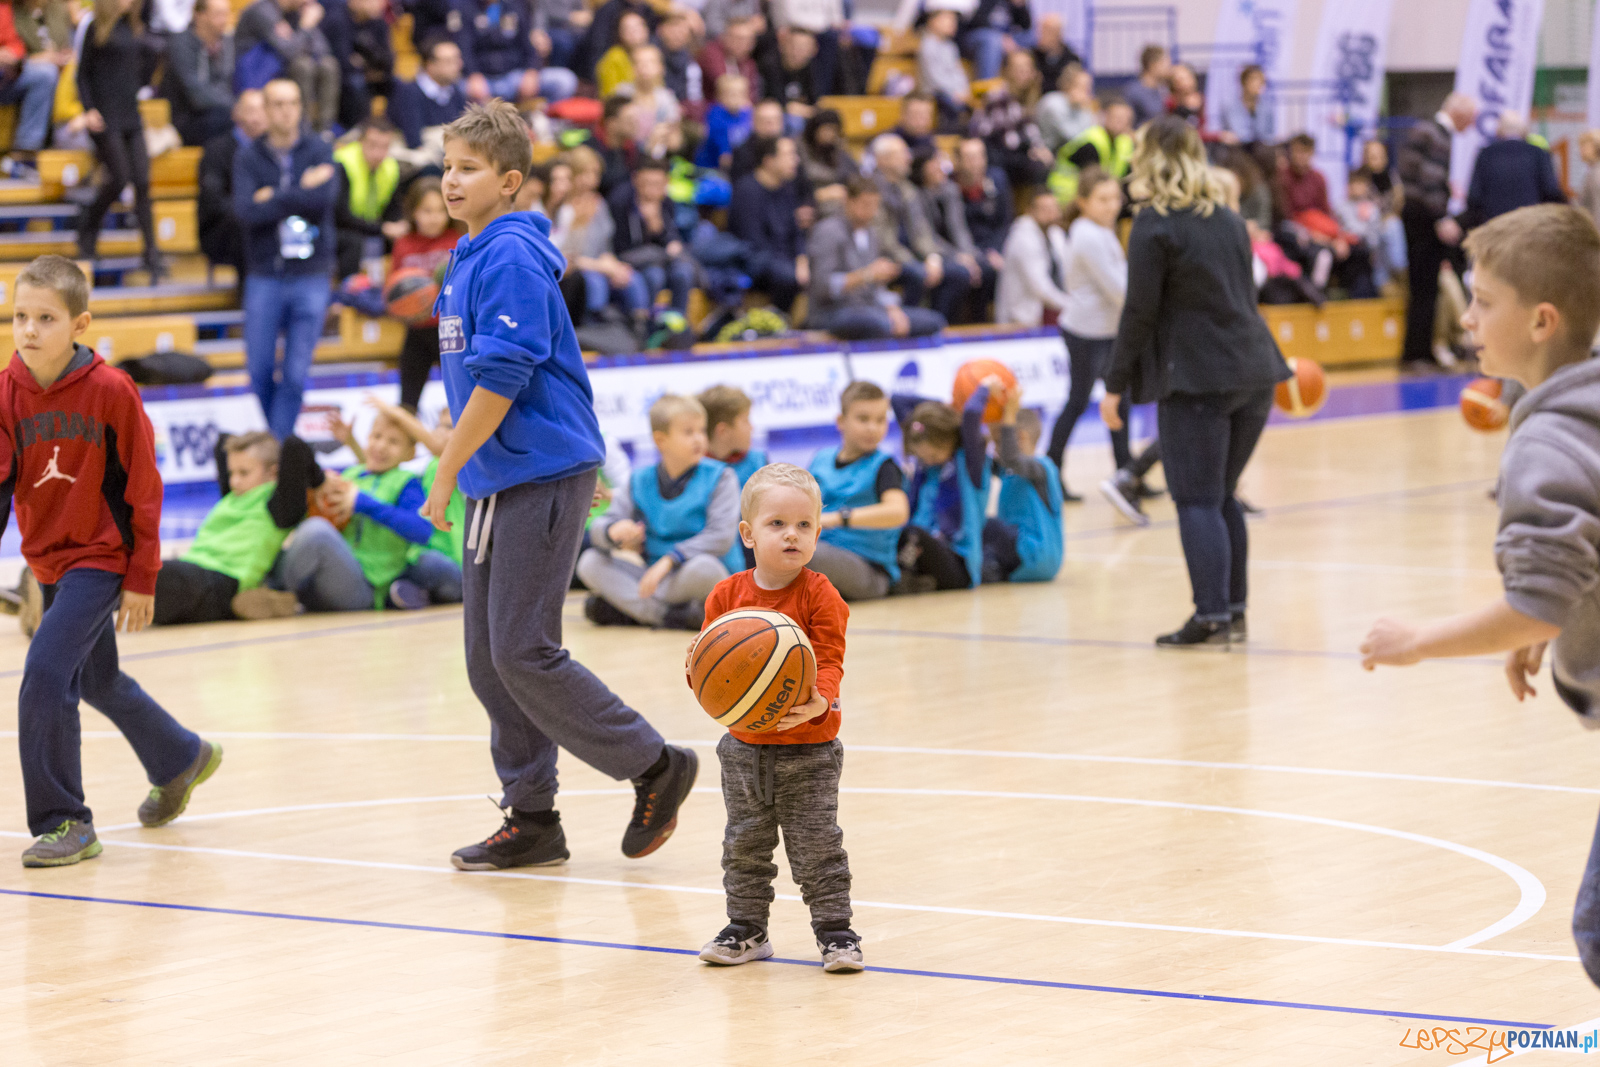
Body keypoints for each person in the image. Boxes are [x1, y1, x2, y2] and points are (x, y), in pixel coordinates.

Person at [421, 101, 698, 867]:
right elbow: (553, 372)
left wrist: (447, 467)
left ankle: (654, 763)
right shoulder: (469, 252)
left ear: (510, 181)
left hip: (534, 473)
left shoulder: (510, 255)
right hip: (506, 475)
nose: (450, 179)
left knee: (524, 651)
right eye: (447, 165)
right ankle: (533, 816)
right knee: (490, 661)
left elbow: (508, 378)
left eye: (468, 168)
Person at [1357, 204, 1600, 986]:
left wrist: (1418, 640)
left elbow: (1536, 600)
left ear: (1541, 320)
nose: (1467, 317)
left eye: (1484, 300)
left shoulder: (1550, 441)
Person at [2, 255, 222, 868]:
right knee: (97, 678)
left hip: (101, 556)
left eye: (45, 318)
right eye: (20, 316)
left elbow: (142, 489)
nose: (29, 330)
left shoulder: (110, 390)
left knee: (46, 674)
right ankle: (182, 756)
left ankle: (65, 820)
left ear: (80, 324)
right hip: (47, 559)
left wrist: (141, 575)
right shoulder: (6, 390)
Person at [1099, 116, 1290, 647]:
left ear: (1149, 158)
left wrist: (1114, 385)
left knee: (1198, 500)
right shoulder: (1227, 219)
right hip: (1255, 370)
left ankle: (1210, 615)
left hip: (1200, 376)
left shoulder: (1154, 223)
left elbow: (1138, 312)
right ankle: (1233, 607)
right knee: (1221, 494)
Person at [693, 463, 860, 973]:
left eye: (804, 525)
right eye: (777, 524)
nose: (792, 534)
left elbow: (830, 657)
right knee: (743, 844)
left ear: (817, 531)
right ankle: (747, 929)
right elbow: (705, 664)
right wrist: (699, 674)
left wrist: (821, 699)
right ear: (747, 533)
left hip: (809, 749)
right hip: (743, 748)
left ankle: (836, 933)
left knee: (817, 847)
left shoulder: (819, 593)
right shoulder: (726, 596)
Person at [579, 392, 740, 626]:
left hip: (695, 573)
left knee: (705, 568)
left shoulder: (722, 476)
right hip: (658, 580)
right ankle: (672, 616)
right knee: (590, 562)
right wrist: (612, 531)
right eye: (688, 432)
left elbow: (721, 537)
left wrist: (670, 560)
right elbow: (599, 528)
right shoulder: (639, 480)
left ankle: (634, 611)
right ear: (660, 440)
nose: (699, 439)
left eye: (701, 431)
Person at [234, 77, 337, 440]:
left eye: (292, 103)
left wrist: (273, 198)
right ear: (264, 108)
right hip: (265, 273)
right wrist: (298, 191)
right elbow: (246, 211)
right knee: (259, 369)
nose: (285, 110)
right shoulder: (248, 156)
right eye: (277, 103)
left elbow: (323, 200)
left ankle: (275, 450)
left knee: (296, 373)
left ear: (301, 107)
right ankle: (278, 444)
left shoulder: (319, 148)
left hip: (311, 273)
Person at [283, 410, 462, 610]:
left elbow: (423, 530)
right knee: (293, 533)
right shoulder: (352, 474)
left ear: (410, 453)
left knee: (316, 531)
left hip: (366, 588)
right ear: (368, 438)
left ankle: (278, 592)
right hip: (334, 575)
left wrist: (363, 503)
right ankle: (278, 594)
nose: (381, 446)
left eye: (393, 442)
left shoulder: (407, 483)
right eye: (376, 436)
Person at [154, 432, 324, 624]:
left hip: (223, 582)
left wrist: (320, 481)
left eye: (244, 473)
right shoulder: (232, 496)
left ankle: (245, 602)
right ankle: (248, 602)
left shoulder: (278, 505)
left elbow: (295, 445)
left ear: (273, 473)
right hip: (194, 570)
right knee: (139, 572)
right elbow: (222, 440)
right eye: (231, 473)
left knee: (152, 575)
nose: (234, 481)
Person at [1039, 169, 1125, 497]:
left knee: (1121, 402)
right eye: (1103, 199)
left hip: (1107, 330)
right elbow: (1117, 288)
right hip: (1086, 332)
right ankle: (1051, 470)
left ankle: (1126, 472)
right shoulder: (1087, 234)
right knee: (1078, 401)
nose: (1112, 206)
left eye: (1115, 198)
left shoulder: (1102, 230)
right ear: (1083, 202)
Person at [76, 0, 162, 277]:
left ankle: (151, 252)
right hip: (105, 115)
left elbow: (139, 74)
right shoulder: (95, 27)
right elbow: (82, 75)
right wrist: (89, 109)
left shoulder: (134, 26)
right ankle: (89, 226)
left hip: (130, 114)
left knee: (142, 181)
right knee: (119, 177)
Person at [805, 177, 945, 340]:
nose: (870, 211)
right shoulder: (827, 231)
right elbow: (823, 286)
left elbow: (877, 289)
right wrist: (866, 275)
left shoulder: (871, 233)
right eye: (865, 204)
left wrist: (892, 308)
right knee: (879, 324)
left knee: (933, 322)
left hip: (870, 308)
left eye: (874, 205)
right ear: (848, 201)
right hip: (832, 311)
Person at [807, 380, 908, 602]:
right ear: (841, 421)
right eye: (863, 419)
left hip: (869, 568)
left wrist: (839, 518)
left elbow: (897, 512)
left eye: (880, 420)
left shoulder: (884, 465)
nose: (873, 428)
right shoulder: (821, 460)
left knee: (804, 556)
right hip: (825, 550)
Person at [1398, 91, 1476, 371]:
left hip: (1415, 215)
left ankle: (1422, 351)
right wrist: (1441, 216)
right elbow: (1429, 180)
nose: (1472, 125)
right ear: (1460, 114)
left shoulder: (1425, 130)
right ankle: (1416, 354)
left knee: (1424, 288)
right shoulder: (1437, 135)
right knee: (1425, 288)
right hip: (1423, 219)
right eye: (1472, 118)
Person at [891, 387, 991, 591]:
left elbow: (971, 414)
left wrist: (984, 389)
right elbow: (897, 399)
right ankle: (913, 578)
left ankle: (897, 578)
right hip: (922, 549)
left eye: (935, 456)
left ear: (951, 441)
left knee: (913, 534)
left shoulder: (969, 465)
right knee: (892, 530)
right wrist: (938, 406)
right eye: (923, 457)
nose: (928, 461)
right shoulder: (925, 469)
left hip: (958, 563)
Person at [871, 134, 969, 323]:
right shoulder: (872, 189)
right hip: (886, 257)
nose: (908, 158)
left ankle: (940, 324)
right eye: (901, 154)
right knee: (917, 274)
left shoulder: (907, 189)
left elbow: (921, 231)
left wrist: (932, 257)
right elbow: (883, 240)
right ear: (882, 160)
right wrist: (914, 263)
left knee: (959, 273)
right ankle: (909, 326)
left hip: (914, 255)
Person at [392, 176, 463, 411]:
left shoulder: (460, 241)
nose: (434, 217)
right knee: (407, 405)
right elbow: (395, 291)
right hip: (417, 331)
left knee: (462, 399)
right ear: (413, 212)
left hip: (452, 331)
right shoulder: (403, 244)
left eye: (441, 210)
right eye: (427, 210)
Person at [986, 390, 1062, 583]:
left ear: (1019, 437)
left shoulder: (1041, 468)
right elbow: (976, 461)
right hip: (1021, 555)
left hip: (1036, 553)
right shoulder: (1007, 470)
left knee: (987, 526)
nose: (994, 449)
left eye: (998, 441)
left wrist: (1009, 414)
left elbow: (1011, 457)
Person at [609, 159, 696, 321]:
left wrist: (659, 229)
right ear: (635, 180)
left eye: (658, 184)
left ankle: (676, 326)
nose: (651, 190)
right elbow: (620, 249)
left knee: (683, 272)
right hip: (633, 262)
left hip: (661, 259)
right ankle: (646, 330)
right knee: (654, 276)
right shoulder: (621, 202)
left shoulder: (666, 202)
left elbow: (673, 240)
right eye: (646, 183)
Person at [234, 0, 340, 132]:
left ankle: (326, 130)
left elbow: (324, 50)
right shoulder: (263, 10)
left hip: (281, 70)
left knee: (328, 64)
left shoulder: (295, 12)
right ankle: (303, 129)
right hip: (255, 74)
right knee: (303, 66)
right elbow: (290, 52)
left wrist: (308, 27)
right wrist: (306, 27)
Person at [729, 136, 807, 313]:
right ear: (769, 161)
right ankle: (777, 323)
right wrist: (793, 267)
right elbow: (752, 241)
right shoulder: (747, 190)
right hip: (753, 259)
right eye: (789, 155)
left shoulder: (787, 188)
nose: (796, 160)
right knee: (786, 275)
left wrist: (802, 260)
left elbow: (796, 234)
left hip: (782, 260)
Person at [199, 89, 267, 278]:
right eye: (251, 110)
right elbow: (213, 199)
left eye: (263, 110)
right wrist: (251, 207)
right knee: (244, 224)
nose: (258, 117)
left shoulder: (272, 150)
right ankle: (248, 294)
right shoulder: (217, 149)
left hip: (264, 218)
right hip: (221, 229)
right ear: (236, 114)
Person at [1462, 112, 1567, 230]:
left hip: (1494, 228)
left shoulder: (1486, 155)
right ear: (1524, 131)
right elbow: (1551, 190)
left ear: (1499, 130)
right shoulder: (1539, 154)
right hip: (1530, 228)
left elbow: (1474, 196)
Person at [333, 117, 406, 279]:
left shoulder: (391, 167)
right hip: (342, 227)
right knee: (353, 242)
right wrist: (382, 228)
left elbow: (393, 209)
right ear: (360, 142)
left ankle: (395, 285)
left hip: (371, 225)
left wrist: (399, 225)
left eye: (385, 147)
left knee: (402, 238)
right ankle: (349, 292)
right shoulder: (342, 162)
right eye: (372, 145)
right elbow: (340, 215)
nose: (378, 153)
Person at [0, 0, 65, 173]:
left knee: (45, 74)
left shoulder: (6, 7)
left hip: (7, 74)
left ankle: (26, 152)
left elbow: (16, 43)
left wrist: (13, 56)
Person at [162, 0, 234, 147]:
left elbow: (226, 80)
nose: (224, 20)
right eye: (218, 14)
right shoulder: (180, 43)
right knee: (232, 120)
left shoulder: (227, 43)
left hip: (220, 112)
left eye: (226, 14)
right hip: (187, 118)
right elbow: (196, 94)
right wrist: (236, 107)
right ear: (199, 16)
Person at [995, 185, 1069, 324]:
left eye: (1054, 208)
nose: (1051, 214)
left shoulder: (1056, 233)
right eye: (1045, 209)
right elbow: (1040, 287)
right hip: (1022, 318)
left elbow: (1068, 271)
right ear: (1030, 211)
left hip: (1052, 308)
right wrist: (1071, 305)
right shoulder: (1022, 237)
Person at [389, 35, 469, 153]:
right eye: (449, 61)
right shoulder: (409, 92)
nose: (458, 65)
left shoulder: (455, 91)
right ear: (430, 65)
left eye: (458, 59)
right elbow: (414, 141)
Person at [1047, 94, 1132, 203]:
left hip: (1099, 196)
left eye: (1126, 119)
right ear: (1105, 116)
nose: (1121, 123)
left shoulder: (1126, 143)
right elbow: (1090, 180)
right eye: (1117, 118)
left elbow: (1126, 177)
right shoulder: (1091, 142)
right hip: (1067, 195)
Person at [324, 0, 395, 129]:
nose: (377, 4)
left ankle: (392, 129)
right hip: (342, 79)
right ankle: (358, 130)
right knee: (357, 83)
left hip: (374, 76)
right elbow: (343, 62)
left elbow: (389, 60)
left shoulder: (378, 22)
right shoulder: (338, 19)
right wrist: (369, 68)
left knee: (399, 83)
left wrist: (363, 64)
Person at [953, 138, 1010, 272]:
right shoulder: (950, 187)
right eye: (970, 158)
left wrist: (994, 250)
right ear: (958, 161)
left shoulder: (997, 180)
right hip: (964, 249)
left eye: (980, 156)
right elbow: (953, 228)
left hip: (992, 247)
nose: (976, 163)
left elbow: (1004, 222)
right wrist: (975, 254)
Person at [699, 384, 767, 486]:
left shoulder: (759, 462)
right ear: (723, 431)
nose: (751, 428)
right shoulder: (695, 469)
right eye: (745, 421)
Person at [799, 108, 858, 205]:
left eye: (834, 130)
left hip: (840, 199)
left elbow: (854, 175)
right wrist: (823, 193)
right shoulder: (800, 147)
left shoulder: (837, 149)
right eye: (826, 129)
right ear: (815, 130)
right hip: (812, 200)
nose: (829, 134)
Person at [695, 72, 753, 170]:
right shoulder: (715, 113)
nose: (737, 98)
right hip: (711, 166)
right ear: (719, 96)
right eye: (732, 94)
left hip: (738, 163)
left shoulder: (748, 113)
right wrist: (725, 151)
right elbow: (719, 135)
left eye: (741, 94)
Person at [960, 0, 1030, 80]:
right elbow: (977, 21)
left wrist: (1020, 6)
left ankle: (1029, 83)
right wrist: (1001, 37)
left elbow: (1026, 26)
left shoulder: (1012, 4)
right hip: (980, 36)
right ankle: (987, 85)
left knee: (1031, 37)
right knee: (993, 40)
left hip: (1008, 38)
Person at [698, 16, 761, 103]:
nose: (743, 44)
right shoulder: (711, 54)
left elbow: (752, 96)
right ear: (725, 37)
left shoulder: (749, 64)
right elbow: (725, 86)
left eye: (748, 39)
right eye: (739, 38)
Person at [917, 10, 967, 118]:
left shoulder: (951, 46)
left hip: (953, 92)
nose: (953, 23)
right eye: (948, 19)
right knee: (954, 107)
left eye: (954, 20)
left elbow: (958, 71)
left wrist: (963, 89)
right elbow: (934, 78)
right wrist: (953, 92)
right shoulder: (927, 45)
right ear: (933, 21)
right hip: (935, 92)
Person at [1035, 63, 1094, 154]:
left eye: (1088, 87)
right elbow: (1075, 137)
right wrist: (1085, 110)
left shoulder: (1076, 106)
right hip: (1046, 153)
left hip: (1064, 154)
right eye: (1082, 86)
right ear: (1067, 84)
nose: (1087, 92)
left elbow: (1093, 131)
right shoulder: (1053, 103)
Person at [595, 8, 649, 97]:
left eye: (637, 27)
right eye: (627, 28)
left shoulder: (652, 54)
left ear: (646, 30)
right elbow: (611, 96)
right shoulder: (613, 58)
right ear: (620, 33)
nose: (633, 32)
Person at [728, 98, 785, 182]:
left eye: (775, 120)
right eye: (765, 121)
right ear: (754, 123)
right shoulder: (741, 153)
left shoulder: (791, 150)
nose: (771, 127)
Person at [1217, 64, 1273, 149]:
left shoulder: (1266, 107)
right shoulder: (1230, 105)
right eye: (1255, 79)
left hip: (1259, 148)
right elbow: (1237, 132)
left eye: (1262, 81)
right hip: (1237, 148)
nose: (1259, 84)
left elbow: (1267, 134)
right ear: (1244, 81)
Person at [1029, 12, 1078, 92]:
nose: (1041, 35)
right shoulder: (1032, 57)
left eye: (1047, 31)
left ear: (1058, 34)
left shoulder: (1071, 60)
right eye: (1041, 30)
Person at [1124, 44, 1169, 128]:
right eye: (1165, 64)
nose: (1168, 68)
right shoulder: (1134, 91)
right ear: (1153, 65)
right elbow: (1126, 124)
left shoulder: (1163, 90)